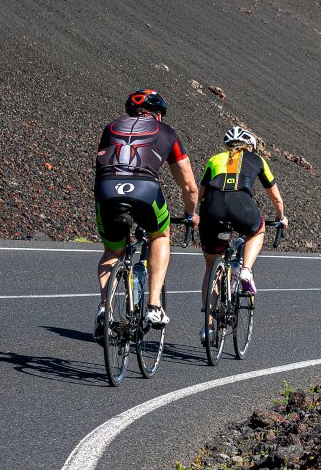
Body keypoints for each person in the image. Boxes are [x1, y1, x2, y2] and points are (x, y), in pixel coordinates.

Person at [92, 89, 199, 330]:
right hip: (144, 189)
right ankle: (153, 306)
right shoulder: (166, 131)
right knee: (160, 235)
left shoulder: (111, 127)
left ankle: (104, 308)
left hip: (106, 188)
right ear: (158, 114)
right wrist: (191, 214)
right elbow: (190, 186)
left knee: (112, 251)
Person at [197, 125, 289, 340]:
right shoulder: (257, 160)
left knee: (211, 268)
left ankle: (208, 327)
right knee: (257, 230)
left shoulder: (214, 159)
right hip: (241, 206)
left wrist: (192, 215)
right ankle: (245, 269)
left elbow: (200, 193)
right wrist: (282, 217)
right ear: (251, 146)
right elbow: (275, 197)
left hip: (211, 210)